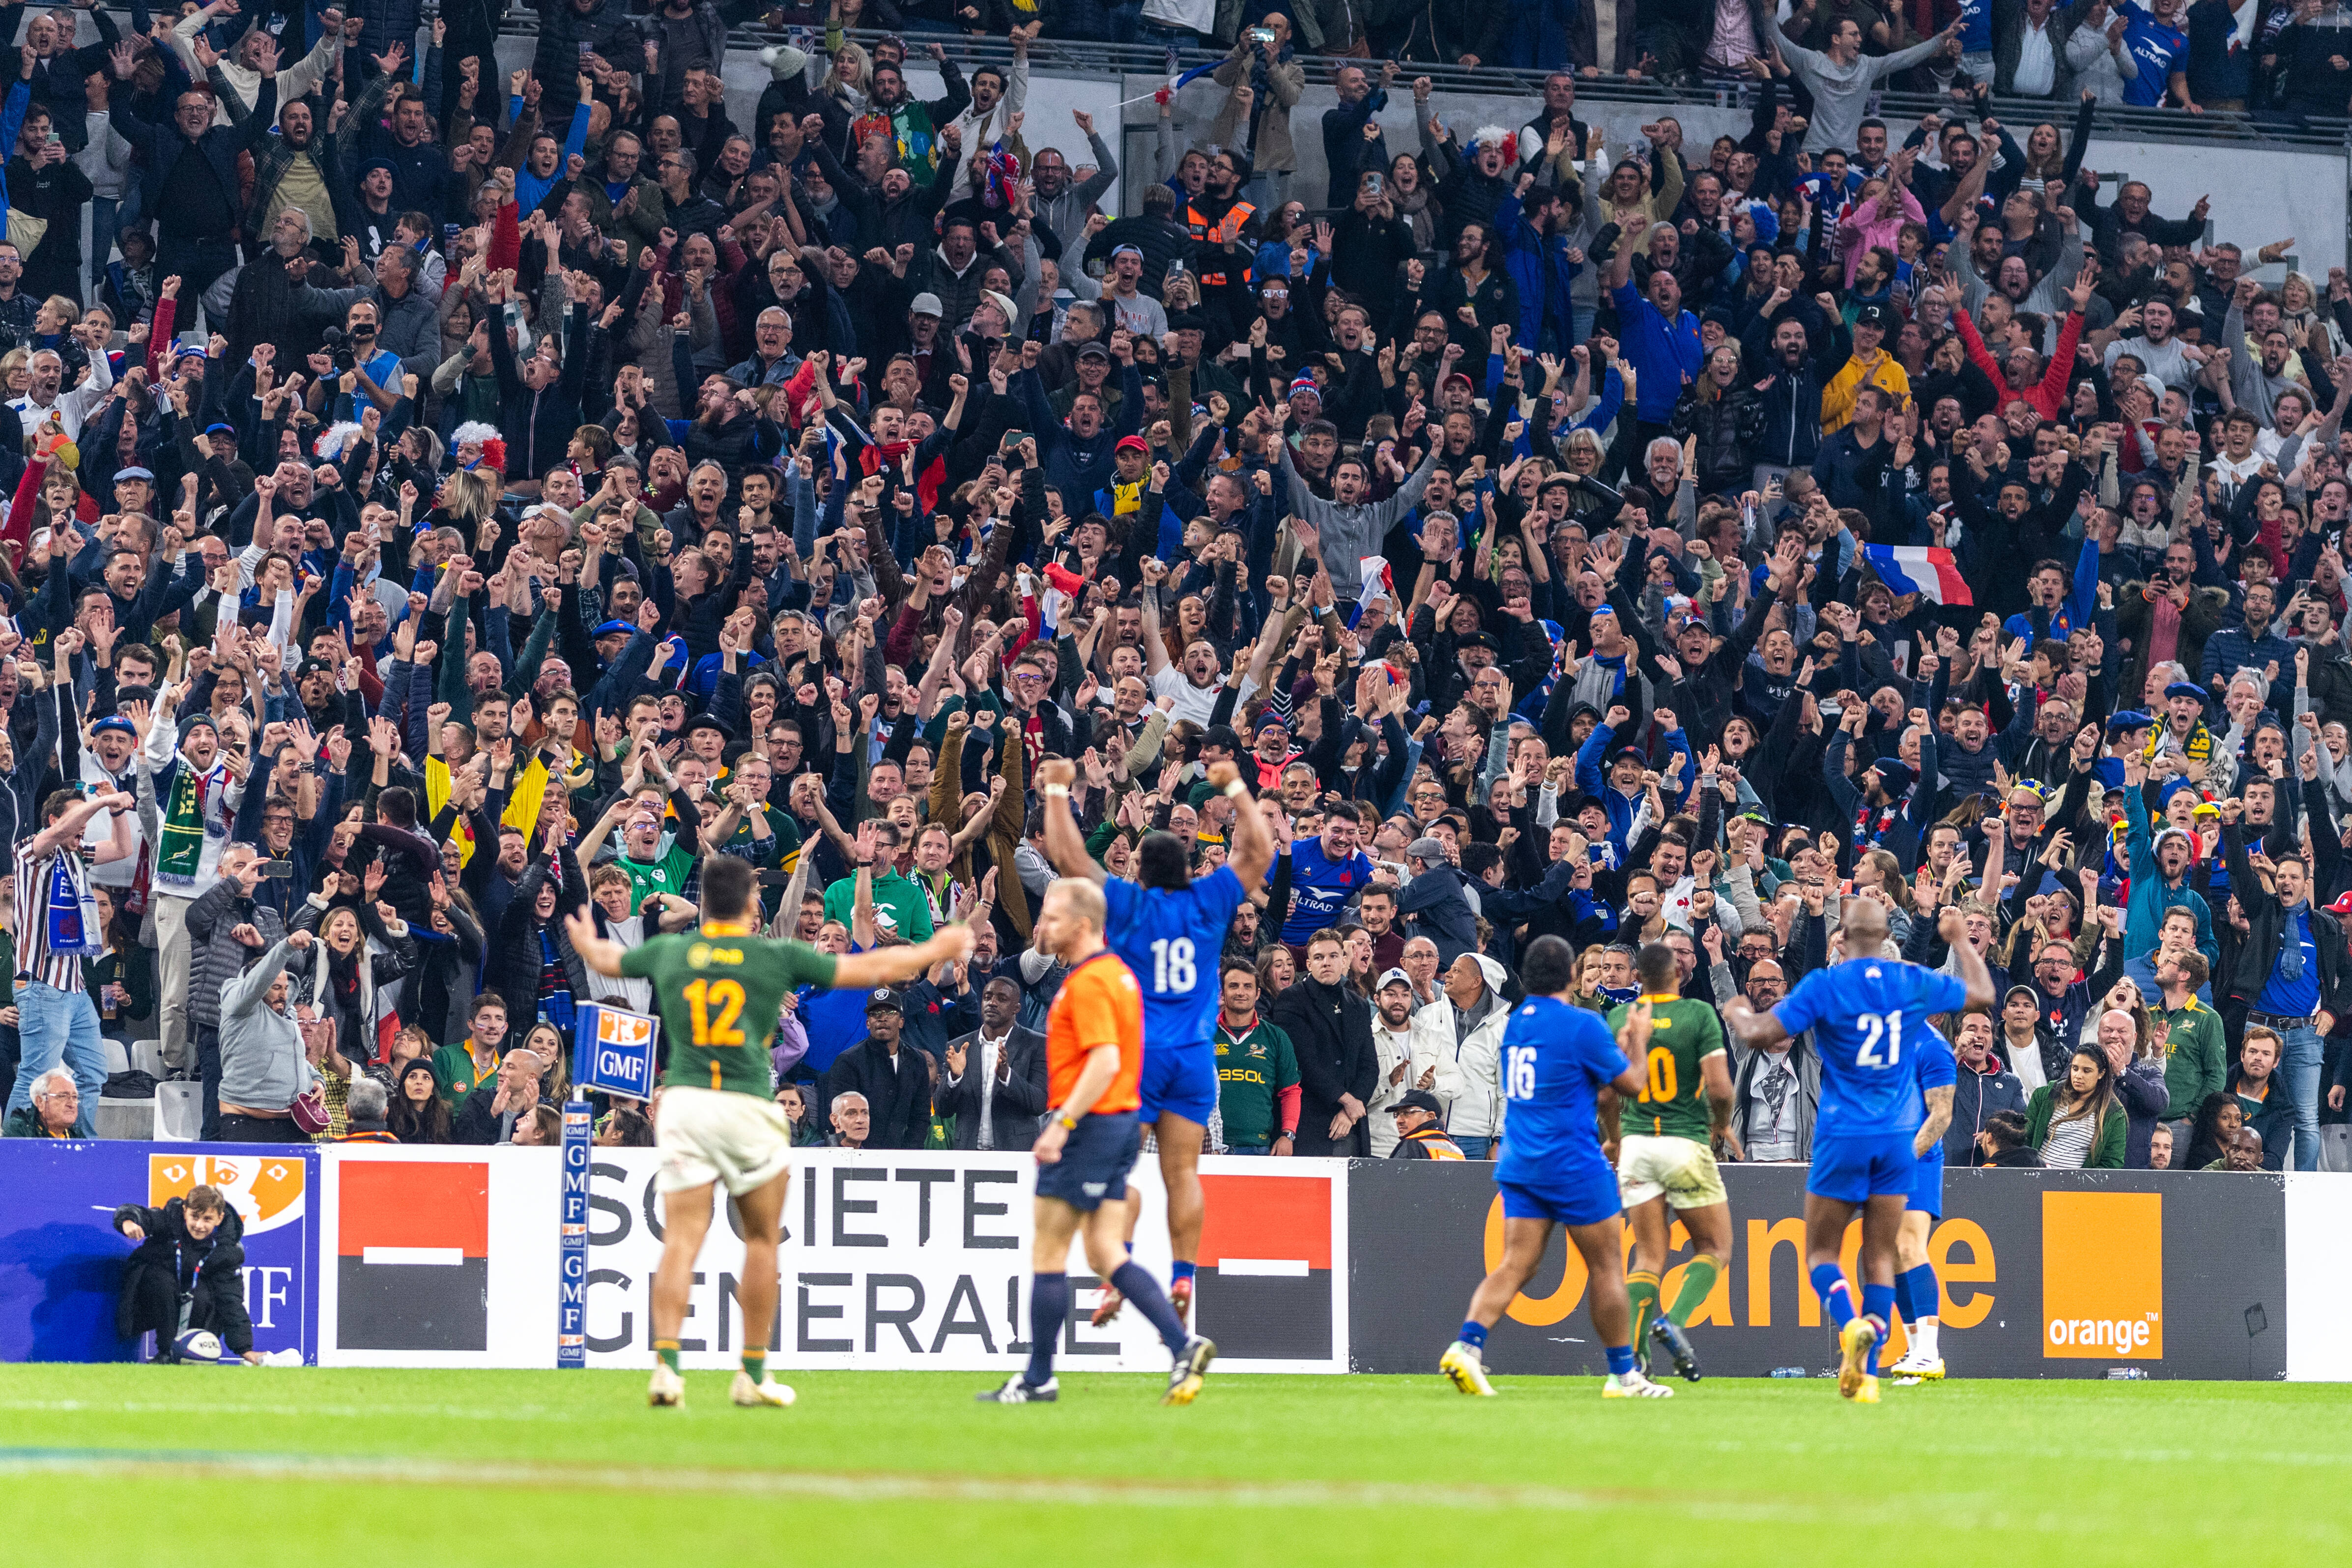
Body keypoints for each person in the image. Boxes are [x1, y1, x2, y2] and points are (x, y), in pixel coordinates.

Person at [566, 855, 975, 1411]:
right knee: (761, 1240)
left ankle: (666, 1368)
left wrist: (585, 939)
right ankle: (751, 1373)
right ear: (753, 903)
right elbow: (868, 969)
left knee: (682, 1238)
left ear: (705, 904)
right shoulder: (774, 954)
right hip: (747, 1103)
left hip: (685, 1102)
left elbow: (608, 958)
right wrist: (936, 947)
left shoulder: (671, 950)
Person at [1035, 754, 1271, 1330]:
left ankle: (1121, 1267)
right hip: (1195, 1056)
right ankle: (1184, 1273)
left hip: (1137, 1057)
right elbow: (1258, 852)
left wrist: (1059, 789)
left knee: (1119, 1175)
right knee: (1183, 1174)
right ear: (1188, 865)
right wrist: (1236, 786)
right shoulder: (1209, 899)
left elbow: (1070, 858)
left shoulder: (1129, 902)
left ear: (1139, 867)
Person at [1722, 902, 1989, 1404]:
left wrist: (1736, 1008)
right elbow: (1981, 993)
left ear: (1841, 937)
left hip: (1843, 1132)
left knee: (1824, 1251)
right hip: (1894, 1139)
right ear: (1888, 934)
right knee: (1881, 1258)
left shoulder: (1827, 984)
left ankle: (1853, 1326)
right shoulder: (1910, 982)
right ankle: (1868, 1364)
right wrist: (1957, 939)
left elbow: (1762, 1032)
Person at [977, 878, 1215, 1406]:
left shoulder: (1088, 981)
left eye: (1054, 917)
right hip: (1119, 1125)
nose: (1043, 926)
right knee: (1105, 1251)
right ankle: (1182, 1344)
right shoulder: (1117, 975)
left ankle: (1039, 1376)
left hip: (1090, 1126)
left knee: (1048, 1250)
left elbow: (1105, 1059)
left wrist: (1062, 1123)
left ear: (1082, 926)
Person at [1438, 934, 1672, 1401]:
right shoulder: (1582, 1024)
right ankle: (1623, 1376)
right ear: (1571, 975)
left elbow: (1594, 1090)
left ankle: (1467, 1346)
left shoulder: (1518, 1022)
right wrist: (1638, 1042)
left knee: (1515, 1264)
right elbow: (1630, 1085)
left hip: (1522, 1161)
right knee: (1607, 1265)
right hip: (1572, 1162)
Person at [1603, 941, 1737, 1384]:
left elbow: (1606, 1092)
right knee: (1715, 1246)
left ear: (1637, 978)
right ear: (1679, 973)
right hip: (1684, 1142)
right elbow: (1719, 1088)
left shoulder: (1620, 1018)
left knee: (1648, 1255)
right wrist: (1721, 1125)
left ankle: (1636, 1365)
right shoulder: (1698, 1014)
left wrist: (1615, 1139)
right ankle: (1675, 1318)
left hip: (1638, 1144)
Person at [4, 788, 137, 1139]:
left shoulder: (78, 856)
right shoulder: (30, 851)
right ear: (54, 819)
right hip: (42, 983)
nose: (85, 827)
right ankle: (14, 1153)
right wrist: (103, 802)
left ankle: (79, 1146)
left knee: (93, 1073)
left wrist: (117, 811)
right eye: (80, 818)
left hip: (75, 988)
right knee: (37, 1075)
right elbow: (63, 832)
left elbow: (123, 849)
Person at [111, 1183, 260, 1364]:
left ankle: (190, 1356)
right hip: (151, 1294)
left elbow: (231, 1299)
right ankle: (167, 1354)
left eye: (207, 1219)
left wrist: (245, 1349)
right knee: (163, 1281)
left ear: (220, 1219)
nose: (199, 1225)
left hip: (193, 1299)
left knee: (206, 1296)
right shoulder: (169, 1220)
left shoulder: (227, 1251)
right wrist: (128, 1222)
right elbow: (138, 1214)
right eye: (194, 1217)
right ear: (184, 1211)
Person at [1886, 1023, 1959, 1385]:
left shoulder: (1932, 1046)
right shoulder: (1880, 1037)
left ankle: (1929, 1350)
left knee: (1910, 1246)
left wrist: (1906, 1156)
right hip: (1885, 1157)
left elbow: (1941, 1115)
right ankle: (1916, 1348)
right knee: (1894, 1252)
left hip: (1919, 1157)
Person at [941, 975, 1049, 1152]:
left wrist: (1008, 1077)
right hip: (968, 1153)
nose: (992, 1003)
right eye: (987, 997)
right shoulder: (960, 1047)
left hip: (1016, 1154)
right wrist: (954, 1077)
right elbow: (942, 1109)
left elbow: (1039, 1104)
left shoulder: (1037, 1044)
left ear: (1017, 1008)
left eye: (1002, 999)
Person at [2026, 1045, 2127, 1169]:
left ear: (2101, 1073)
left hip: (2077, 1186)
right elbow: (2026, 1137)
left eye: (2087, 1071)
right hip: (2037, 1178)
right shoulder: (2046, 1096)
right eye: (2075, 1069)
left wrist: (2082, 1186)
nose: (2078, 1076)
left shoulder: (2114, 1113)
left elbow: (2112, 1164)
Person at [1387, 1089, 1463, 1158]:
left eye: (1407, 1113)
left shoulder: (1411, 1145)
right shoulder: (1457, 1151)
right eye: (1397, 1114)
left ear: (1430, 1117)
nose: (1399, 1121)